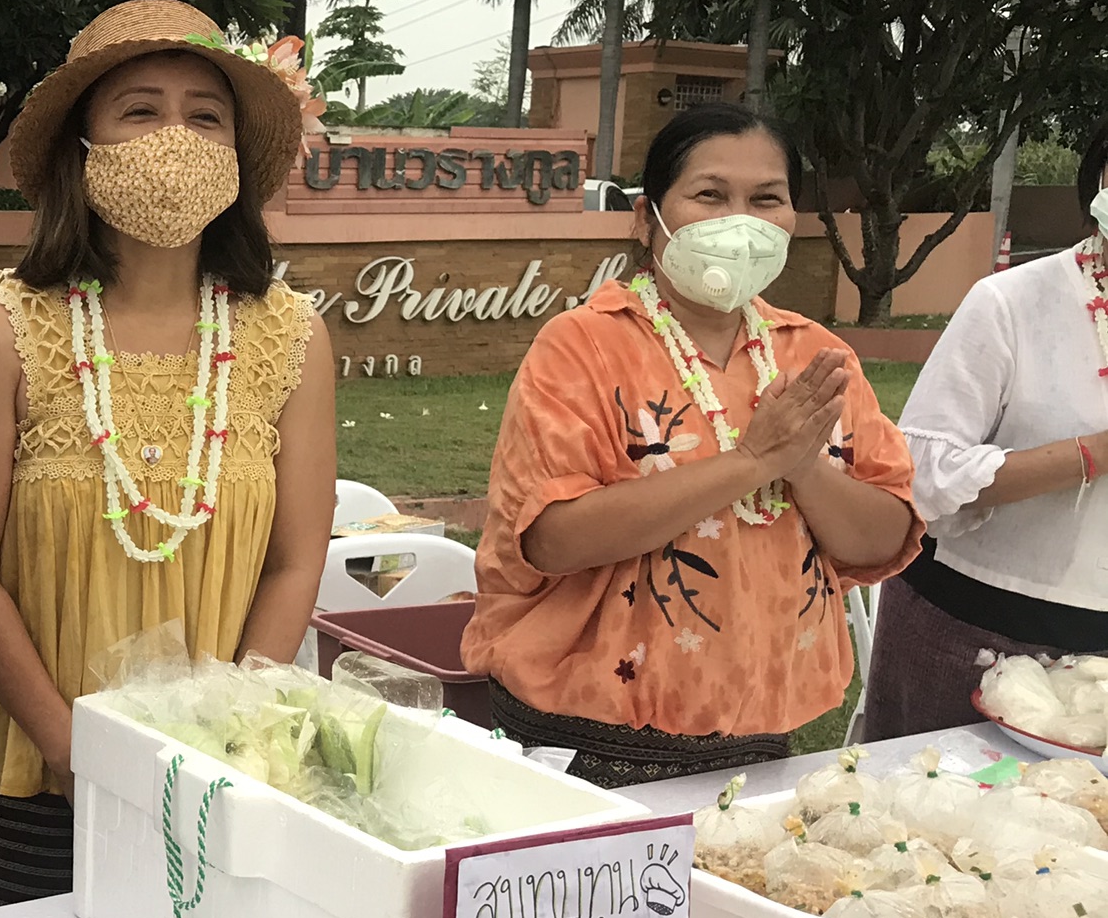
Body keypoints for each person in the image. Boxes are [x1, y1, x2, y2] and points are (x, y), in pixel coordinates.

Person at [0, 0, 338, 909]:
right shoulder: (1, 333)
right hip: (38, 784)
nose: (175, 137)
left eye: (206, 115)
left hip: (220, 785)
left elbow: (295, 562)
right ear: (83, 146)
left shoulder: (291, 339)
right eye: (140, 110)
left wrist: (228, 744)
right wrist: (72, 750)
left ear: (236, 155)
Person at [464, 104, 922, 786]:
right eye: (710, 195)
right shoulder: (583, 346)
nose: (740, 221)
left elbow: (882, 540)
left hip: (760, 732)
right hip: (583, 733)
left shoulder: (816, 357)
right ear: (647, 219)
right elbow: (553, 540)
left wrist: (805, 469)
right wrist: (752, 462)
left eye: (766, 199)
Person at [862, 123, 1108, 737]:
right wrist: (1093, 454)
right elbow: (921, 474)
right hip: (978, 626)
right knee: (935, 796)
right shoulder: (1012, 303)